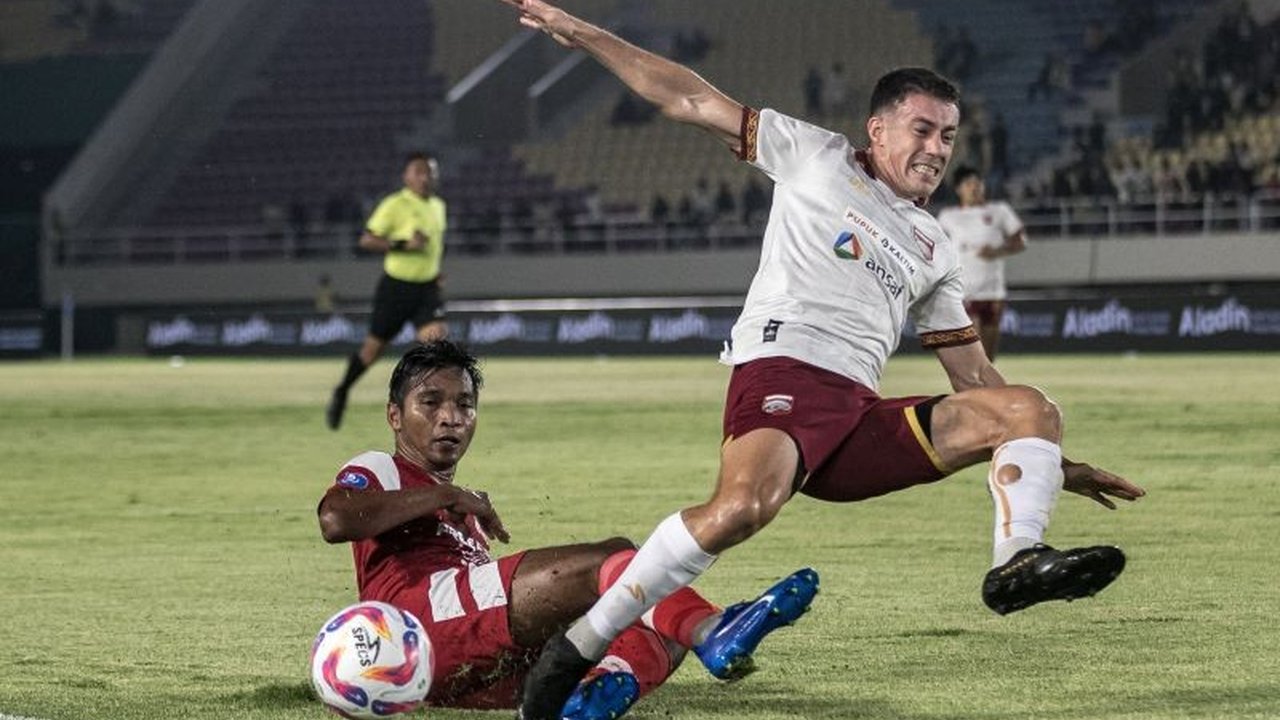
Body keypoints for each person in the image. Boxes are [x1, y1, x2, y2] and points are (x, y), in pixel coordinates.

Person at [497, 3, 1148, 718]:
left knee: (1029, 404)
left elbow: (975, 382)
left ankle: (1016, 560)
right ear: (878, 129)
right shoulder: (817, 156)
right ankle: (578, 647)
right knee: (742, 508)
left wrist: (1054, 456)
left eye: (950, 136)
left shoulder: (934, 245)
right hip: (784, 371)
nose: (938, 148)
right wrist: (582, 33)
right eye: (922, 129)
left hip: (856, 421)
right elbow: (687, 96)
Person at [317, 340, 819, 718]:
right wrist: (448, 494)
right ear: (394, 416)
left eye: (465, 405)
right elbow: (336, 519)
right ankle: (711, 628)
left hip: (473, 671)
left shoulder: (462, 509)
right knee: (619, 562)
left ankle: (596, 691)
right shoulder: (383, 468)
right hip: (414, 628)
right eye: (431, 402)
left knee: (648, 615)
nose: (451, 417)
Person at [326, 151, 449, 431]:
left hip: (427, 289)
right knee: (371, 352)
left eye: (430, 171)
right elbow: (367, 239)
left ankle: (421, 411)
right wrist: (403, 245)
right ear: (406, 176)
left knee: (437, 344)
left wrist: (435, 270)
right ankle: (342, 390)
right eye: (419, 171)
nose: (425, 177)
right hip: (396, 288)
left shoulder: (439, 206)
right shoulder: (394, 204)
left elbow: (434, 246)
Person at [936, 166, 1027, 361]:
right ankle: (973, 389)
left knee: (989, 357)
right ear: (959, 189)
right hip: (965, 292)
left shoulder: (999, 211)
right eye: (969, 184)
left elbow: (1020, 241)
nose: (975, 188)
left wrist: (997, 251)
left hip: (994, 292)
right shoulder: (948, 216)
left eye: (978, 183)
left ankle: (984, 390)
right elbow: (935, 249)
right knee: (975, 354)